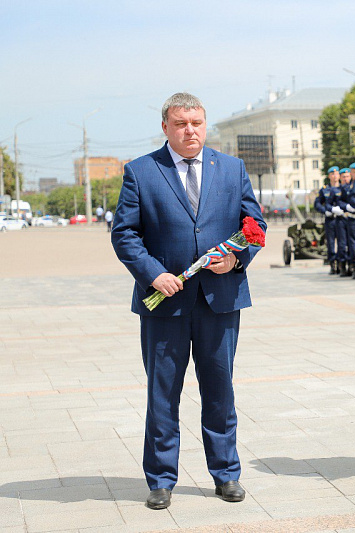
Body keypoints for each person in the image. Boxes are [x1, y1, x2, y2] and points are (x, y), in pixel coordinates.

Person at [111, 92, 266, 509]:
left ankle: (226, 474)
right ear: (166, 127)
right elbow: (124, 234)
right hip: (166, 302)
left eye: (196, 122)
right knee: (163, 393)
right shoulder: (141, 172)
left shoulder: (231, 169)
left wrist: (236, 259)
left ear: (205, 123)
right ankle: (160, 480)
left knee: (220, 390)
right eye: (181, 123)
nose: (190, 130)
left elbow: (255, 224)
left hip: (221, 299)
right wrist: (152, 273)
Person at [315, 167, 339, 273]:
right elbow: (317, 204)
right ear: (329, 176)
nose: (334, 176)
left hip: (342, 219)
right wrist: (325, 211)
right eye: (332, 174)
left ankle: (342, 263)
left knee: (344, 243)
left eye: (336, 174)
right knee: (330, 243)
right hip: (330, 219)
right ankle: (333, 263)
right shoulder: (325, 189)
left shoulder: (344, 187)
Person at [337, 167, 355, 277]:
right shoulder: (343, 188)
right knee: (343, 244)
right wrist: (346, 206)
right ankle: (343, 266)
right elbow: (338, 201)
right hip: (344, 218)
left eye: (347, 176)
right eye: (344, 177)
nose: (346, 178)